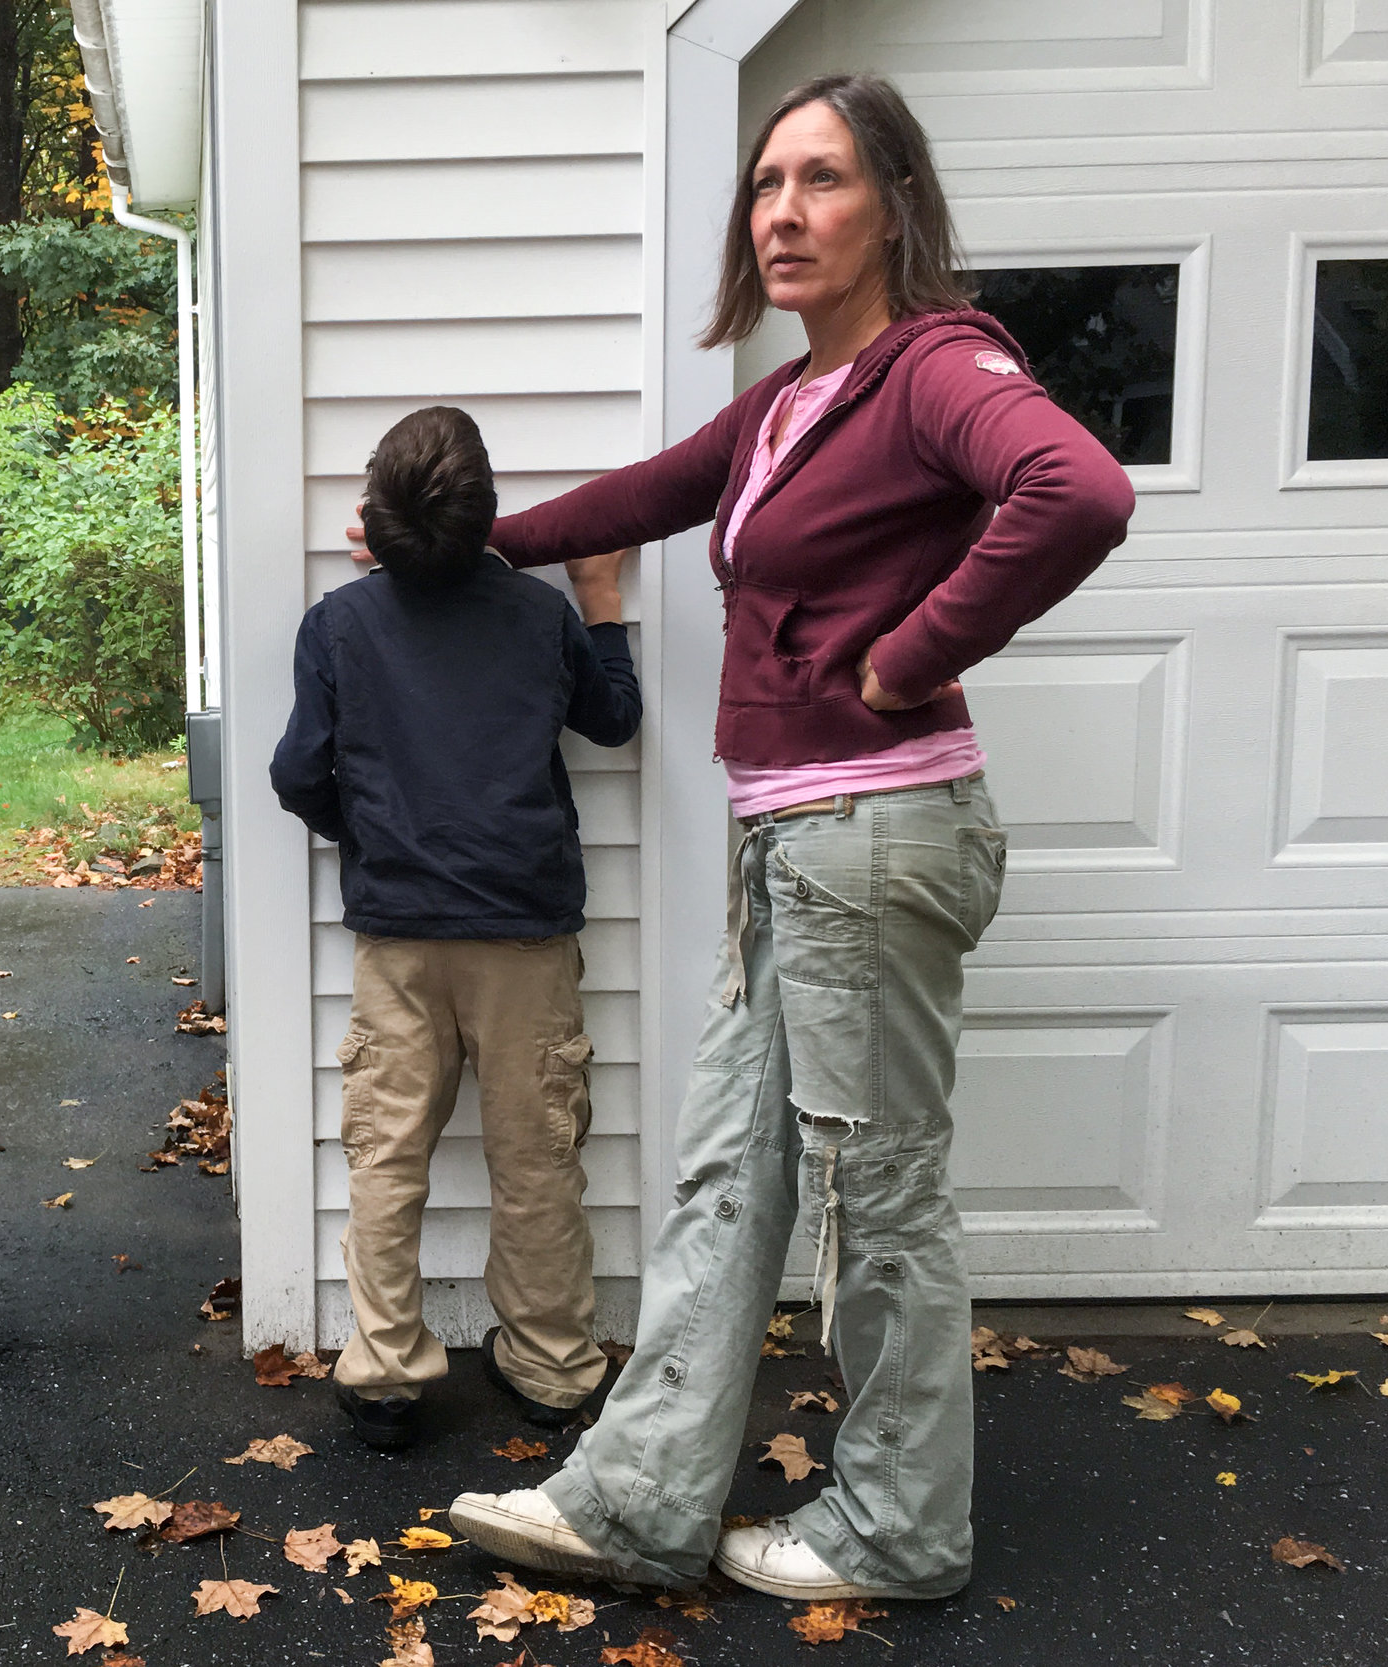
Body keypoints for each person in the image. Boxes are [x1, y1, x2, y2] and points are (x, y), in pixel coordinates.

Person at [427, 73, 1135, 1599]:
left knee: (877, 1202)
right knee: (726, 1182)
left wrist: (907, 651)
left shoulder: (938, 365)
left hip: (874, 834)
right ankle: (638, 1499)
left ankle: (896, 1529)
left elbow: (1075, 488)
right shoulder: (799, 398)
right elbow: (650, 492)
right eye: (766, 186)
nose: (786, 213)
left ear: (894, 201)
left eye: (822, 179)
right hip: (797, 847)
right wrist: (473, 538)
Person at [271, 405, 643, 1452]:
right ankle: (553, 1366)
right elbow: (613, 716)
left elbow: (298, 773)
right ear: (485, 513)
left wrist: (366, 836)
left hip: (400, 939)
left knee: (387, 1153)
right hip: (524, 932)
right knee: (536, 1156)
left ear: (375, 519)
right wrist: (600, 595)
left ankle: (384, 1371)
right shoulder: (535, 615)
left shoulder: (341, 624)